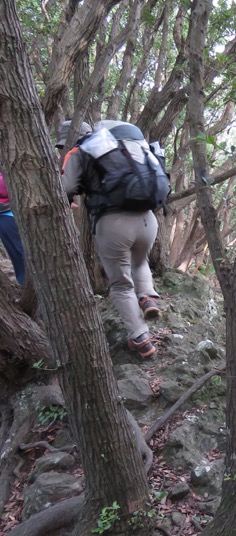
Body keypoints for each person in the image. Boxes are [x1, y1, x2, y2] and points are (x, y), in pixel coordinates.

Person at [59, 119, 164, 359]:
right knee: (139, 262)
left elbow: (66, 187)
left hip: (114, 223)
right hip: (148, 220)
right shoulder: (125, 145)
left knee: (120, 284)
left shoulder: (80, 150)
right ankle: (147, 296)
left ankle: (141, 338)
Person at [0, 171, 26, 285]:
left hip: (8, 215)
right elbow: (5, 189)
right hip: (8, 215)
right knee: (18, 250)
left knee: (19, 250)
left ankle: (24, 280)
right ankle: (24, 281)